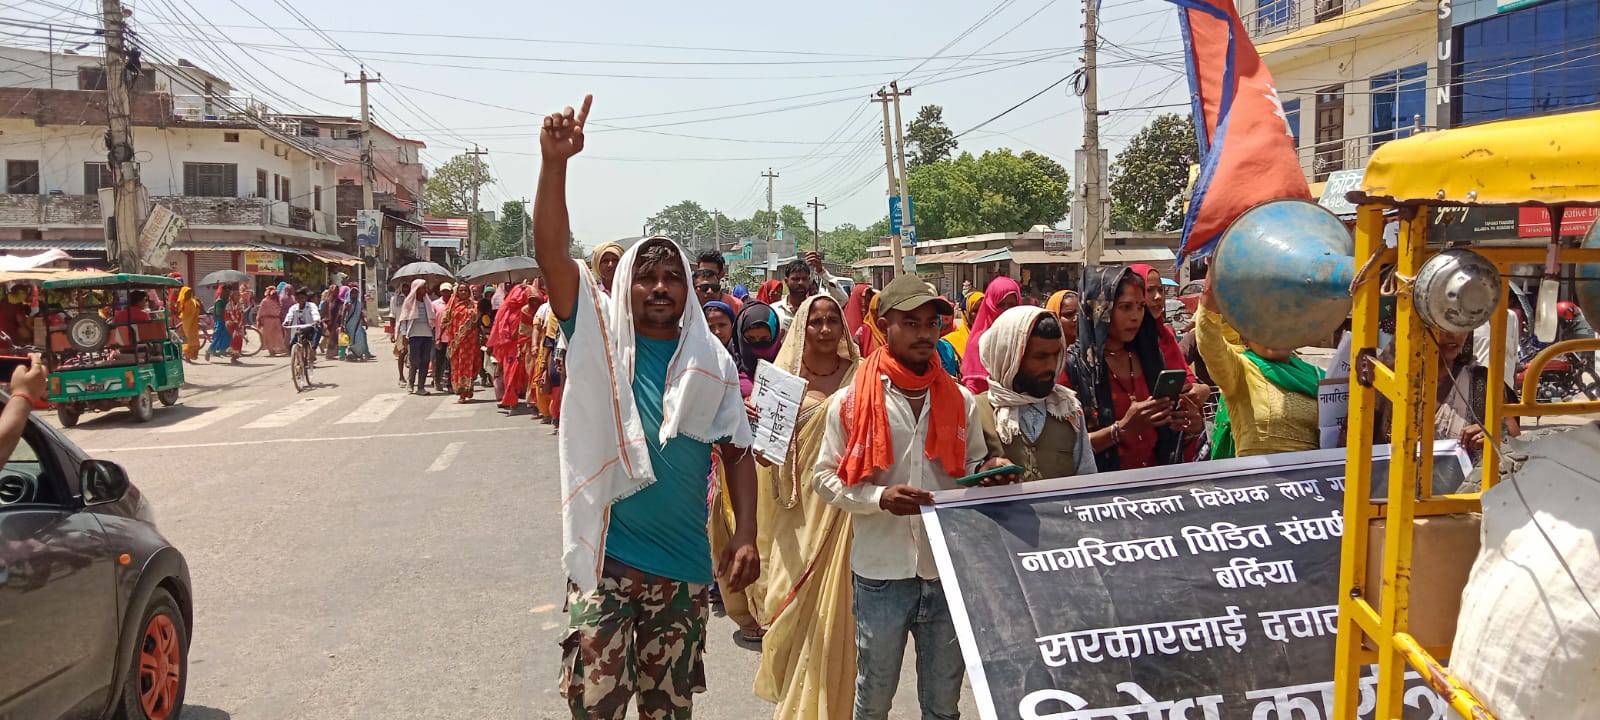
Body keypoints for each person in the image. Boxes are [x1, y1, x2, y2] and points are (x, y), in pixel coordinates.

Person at [536, 94, 758, 720]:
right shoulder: (595, 335)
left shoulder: (711, 359)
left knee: (670, 712)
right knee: (595, 710)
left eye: (672, 279)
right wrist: (555, 166)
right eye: (646, 277)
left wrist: (746, 532)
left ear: (688, 288)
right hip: (605, 564)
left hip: (684, 575)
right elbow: (554, 256)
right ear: (625, 284)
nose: (659, 288)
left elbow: (738, 450)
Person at [812, 274, 1014, 720]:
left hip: (945, 571)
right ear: (885, 326)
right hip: (881, 572)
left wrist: (989, 475)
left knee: (944, 703)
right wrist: (879, 497)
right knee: (875, 698)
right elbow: (823, 478)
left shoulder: (959, 399)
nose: (926, 333)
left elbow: (972, 464)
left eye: (933, 322)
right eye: (912, 322)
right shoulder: (850, 402)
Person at [752, 293, 862, 718]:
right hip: (794, 509)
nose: (824, 329)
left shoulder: (863, 376)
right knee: (788, 600)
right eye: (815, 321)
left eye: (833, 320)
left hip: (845, 514)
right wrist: (760, 438)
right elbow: (767, 456)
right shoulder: (781, 383)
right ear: (801, 327)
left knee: (839, 619)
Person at [1070, 267, 1201, 470]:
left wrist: (1189, 426)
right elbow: (1064, 449)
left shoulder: (1149, 358)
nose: (1135, 316)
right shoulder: (1075, 366)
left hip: (1157, 486)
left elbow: (1165, 436)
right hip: (1103, 491)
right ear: (1099, 309)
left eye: (1140, 307)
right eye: (1125, 307)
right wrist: (1120, 430)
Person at [1195, 281, 1321, 459]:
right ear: (1245, 335)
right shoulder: (1240, 369)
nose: (1273, 335)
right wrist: (1213, 279)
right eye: (1262, 328)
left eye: (1283, 327)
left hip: (1312, 481)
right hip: (1258, 481)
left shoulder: (1317, 376)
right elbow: (1209, 340)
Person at [976, 306, 1097, 484]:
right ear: (1011, 357)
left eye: (1056, 355)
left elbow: (1087, 479)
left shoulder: (1068, 408)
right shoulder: (975, 411)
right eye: (1040, 357)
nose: (1051, 366)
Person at [1377, 329, 1520, 465]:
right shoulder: (1382, 379)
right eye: (1443, 325)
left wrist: (1492, 436)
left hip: (1469, 489)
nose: (1455, 334)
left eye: (1462, 325)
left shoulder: (1482, 382)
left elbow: (1516, 441)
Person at [959, 276, 1022, 393]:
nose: (1006, 310)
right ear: (990, 305)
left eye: (1012, 305)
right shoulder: (980, 341)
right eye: (1000, 305)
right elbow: (974, 387)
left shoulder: (1024, 337)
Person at [772, 253, 848, 332]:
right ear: (786, 281)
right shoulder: (775, 311)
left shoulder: (817, 308)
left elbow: (842, 299)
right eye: (795, 279)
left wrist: (821, 271)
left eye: (804, 279)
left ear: (809, 280)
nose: (800, 283)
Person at [488, 283, 532, 410]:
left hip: (525, 346)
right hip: (509, 349)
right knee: (510, 373)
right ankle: (509, 398)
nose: (517, 298)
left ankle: (530, 400)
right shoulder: (505, 309)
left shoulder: (528, 309)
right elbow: (498, 328)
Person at [732, 302, 782, 397]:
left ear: (775, 338)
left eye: (764, 339)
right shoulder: (727, 370)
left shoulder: (788, 368)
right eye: (750, 339)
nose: (757, 347)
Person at [395, 279, 436, 395]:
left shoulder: (427, 302)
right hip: (414, 335)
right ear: (416, 289)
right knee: (414, 361)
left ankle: (421, 387)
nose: (425, 290)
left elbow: (432, 318)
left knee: (425, 361)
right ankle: (411, 383)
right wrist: (404, 335)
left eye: (425, 287)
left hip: (427, 335)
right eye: (423, 288)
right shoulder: (409, 303)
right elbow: (404, 320)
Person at [442, 285, 481, 403]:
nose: (463, 292)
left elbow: (477, 320)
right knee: (457, 366)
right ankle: (461, 393)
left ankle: (467, 390)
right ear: (457, 292)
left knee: (470, 366)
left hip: (470, 341)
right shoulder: (452, 305)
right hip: (456, 342)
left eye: (465, 290)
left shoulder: (474, 305)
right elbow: (444, 322)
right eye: (461, 290)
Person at [695, 249, 743, 313]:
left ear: (721, 274)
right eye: (702, 272)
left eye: (711, 273)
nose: (706, 275)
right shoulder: (686, 304)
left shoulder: (736, 305)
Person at [941, 290, 984, 362]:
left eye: (983, 310)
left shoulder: (994, 337)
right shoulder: (950, 342)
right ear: (966, 313)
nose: (980, 314)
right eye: (975, 311)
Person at [431, 284, 454, 391]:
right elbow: (431, 320)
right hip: (439, 337)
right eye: (443, 291)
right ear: (440, 292)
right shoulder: (435, 304)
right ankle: (437, 381)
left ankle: (450, 384)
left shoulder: (455, 304)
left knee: (450, 362)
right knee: (438, 361)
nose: (445, 293)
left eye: (447, 291)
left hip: (452, 337)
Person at [209, 285, 238, 361]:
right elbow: (219, 313)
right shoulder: (219, 301)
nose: (228, 293)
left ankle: (222, 349)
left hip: (226, 321)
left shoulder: (228, 301)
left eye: (229, 292)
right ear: (222, 292)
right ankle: (210, 350)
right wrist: (226, 315)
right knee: (218, 335)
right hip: (220, 320)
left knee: (227, 336)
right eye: (226, 292)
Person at [256, 286, 287, 356]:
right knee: (268, 336)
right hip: (268, 320)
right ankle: (271, 350)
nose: (274, 296)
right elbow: (260, 311)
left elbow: (280, 310)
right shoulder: (265, 301)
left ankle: (278, 349)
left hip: (276, 320)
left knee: (277, 335)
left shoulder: (277, 300)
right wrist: (259, 319)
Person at [175, 284, 202, 362]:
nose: (189, 294)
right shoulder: (184, 303)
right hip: (188, 324)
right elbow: (182, 313)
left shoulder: (193, 301)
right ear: (184, 294)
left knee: (195, 341)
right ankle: (187, 357)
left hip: (193, 324)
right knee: (189, 341)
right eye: (187, 293)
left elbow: (197, 309)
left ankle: (191, 356)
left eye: (190, 292)